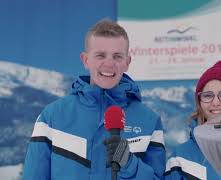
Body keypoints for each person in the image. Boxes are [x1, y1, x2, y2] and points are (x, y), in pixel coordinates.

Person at [22, 19, 165, 180]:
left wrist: (130, 164)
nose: (109, 63)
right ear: (85, 60)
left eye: (117, 56)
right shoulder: (52, 117)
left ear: (127, 62)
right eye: (100, 55)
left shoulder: (149, 121)